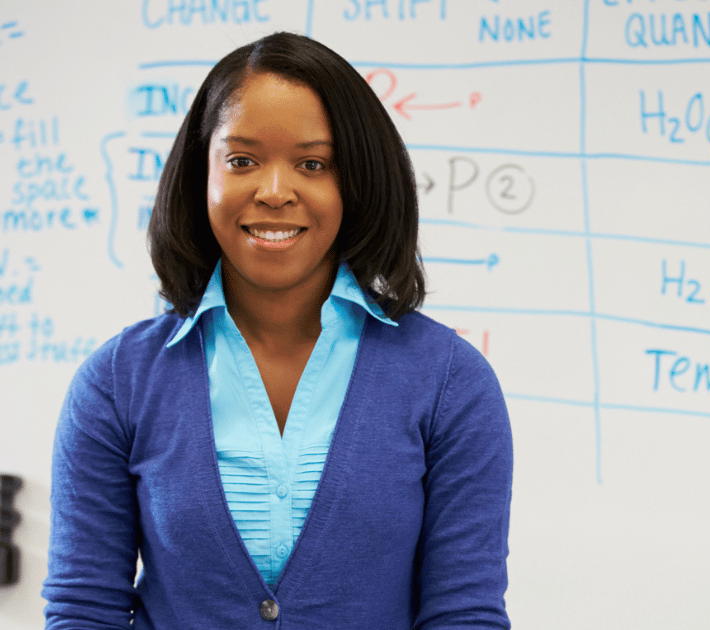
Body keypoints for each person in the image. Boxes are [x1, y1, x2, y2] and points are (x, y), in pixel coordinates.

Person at [42, 32, 512, 629]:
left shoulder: (450, 381)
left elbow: (464, 614)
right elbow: (84, 610)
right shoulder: (117, 383)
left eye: (313, 164)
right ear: (200, 176)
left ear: (358, 182)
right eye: (242, 160)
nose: (273, 192)